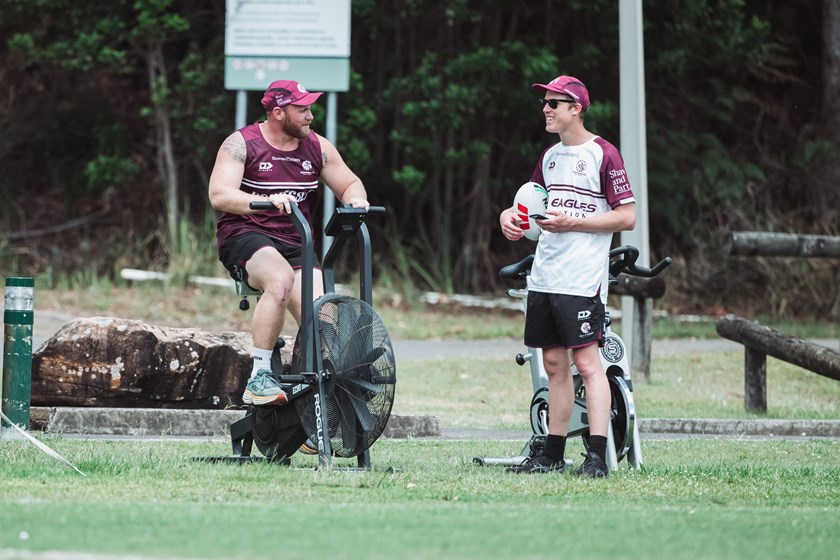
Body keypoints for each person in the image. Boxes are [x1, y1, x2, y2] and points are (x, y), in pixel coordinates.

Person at [499, 76, 636, 477]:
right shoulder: (549, 157)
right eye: (544, 102)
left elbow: (627, 216)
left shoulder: (603, 154)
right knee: (554, 366)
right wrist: (508, 219)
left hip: (581, 278)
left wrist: (574, 222)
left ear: (576, 108)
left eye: (554, 103)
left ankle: (596, 456)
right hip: (545, 276)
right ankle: (552, 454)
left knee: (588, 365)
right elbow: (526, 207)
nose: (546, 108)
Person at [209, 79, 369, 406]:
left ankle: (324, 394)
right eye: (303, 109)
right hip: (246, 234)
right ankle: (260, 376)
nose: (310, 116)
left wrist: (356, 199)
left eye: (310, 109)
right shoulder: (241, 144)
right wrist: (265, 202)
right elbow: (219, 195)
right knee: (280, 281)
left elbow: (349, 182)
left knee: (323, 313)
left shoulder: (317, 147)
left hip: (296, 241)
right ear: (279, 113)